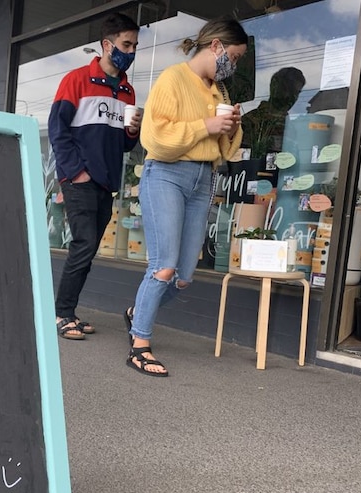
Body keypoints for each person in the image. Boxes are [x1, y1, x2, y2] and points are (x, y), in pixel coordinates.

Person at [123, 17, 247, 377]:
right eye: (234, 57)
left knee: (184, 275)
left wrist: (230, 128)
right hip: (166, 173)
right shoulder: (173, 78)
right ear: (216, 46)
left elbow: (222, 150)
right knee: (163, 265)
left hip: (202, 178)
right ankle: (140, 345)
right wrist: (205, 126)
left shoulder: (218, 92)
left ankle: (136, 312)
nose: (233, 65)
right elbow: (155, 138)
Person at [48, 13, 142, 340]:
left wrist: (132, 131)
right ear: (107, 44)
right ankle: (60, 314)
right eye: (125, 44)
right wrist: (76, 173)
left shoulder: (128, 90)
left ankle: (68, 310)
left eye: (134, 45)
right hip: (79, 180)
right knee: (84, 244)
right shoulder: (76, 80)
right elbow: (58, 132)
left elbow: (125, 142)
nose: (130, 51)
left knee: (88, 250)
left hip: (107, 181)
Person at [240, 66, 306, 154]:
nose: (292, 97)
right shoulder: (250, 121)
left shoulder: (292, 128)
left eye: (297, 93)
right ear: (274, 86)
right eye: (289, 89)